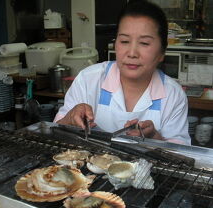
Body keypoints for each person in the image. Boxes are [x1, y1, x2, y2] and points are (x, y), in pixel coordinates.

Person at [54, 0, 191, 145]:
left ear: (162, 52)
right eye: (124, 41)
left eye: (144, 43)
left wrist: (155, 138)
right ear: (115, 45)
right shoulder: (88, 80)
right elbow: (55, 133)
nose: (132, 53)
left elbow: (181, 155)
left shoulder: (173, 95)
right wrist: (71, 118)